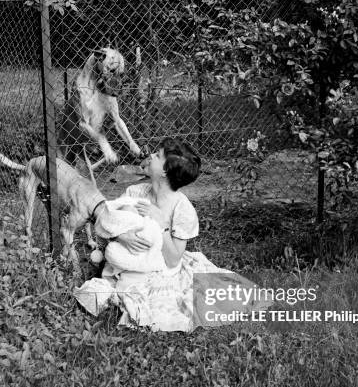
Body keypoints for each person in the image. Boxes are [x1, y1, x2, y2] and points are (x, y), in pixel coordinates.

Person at [74, 137, 270, 332]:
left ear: (165, 172)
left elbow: (173, 260)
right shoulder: (134, 192)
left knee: (169, 297)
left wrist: (163, 225)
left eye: (157, 155)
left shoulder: (183, 209)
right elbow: (110, 222)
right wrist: (120, 237)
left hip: (162, 266)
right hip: (129, 260)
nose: (150, 155)